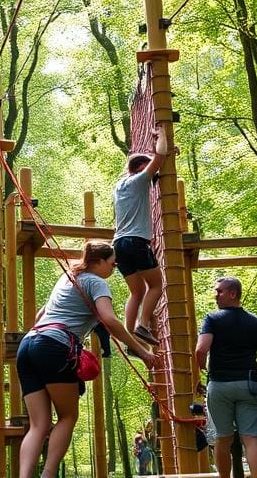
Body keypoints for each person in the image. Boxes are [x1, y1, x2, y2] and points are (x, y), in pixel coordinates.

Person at [17, 241, 155, 478]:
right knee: (68, 416)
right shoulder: (96, 282)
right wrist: (142, 352)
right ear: (99, 262)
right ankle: (48, 474)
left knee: (38, 425)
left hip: (28, 344)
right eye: (112, 264)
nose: (113, 269)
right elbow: (109, 320)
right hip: (54, 345)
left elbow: (41, 315)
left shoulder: (67, 278)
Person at [196, 277, 257, 478]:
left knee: (222, 438)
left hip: (219, 385)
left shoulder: (212, 319)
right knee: (251, 439)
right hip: (249, 385)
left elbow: (201, 350)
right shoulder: (255, 322)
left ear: (233, 293)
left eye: (219, 291)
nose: (216, 295)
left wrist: (204, 368)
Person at [112, 123, 169, 345]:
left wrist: (164, 151)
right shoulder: (138, 180)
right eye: (148, 167)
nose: (153, 172)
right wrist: (162, 135)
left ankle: (130, 337)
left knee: (137, 292)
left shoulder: (120, 186)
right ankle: (142, 325)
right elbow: (160, 157)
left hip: (119, 244)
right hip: (136, 241)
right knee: (156, 285)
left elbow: (159, 160)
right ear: (140, 168)